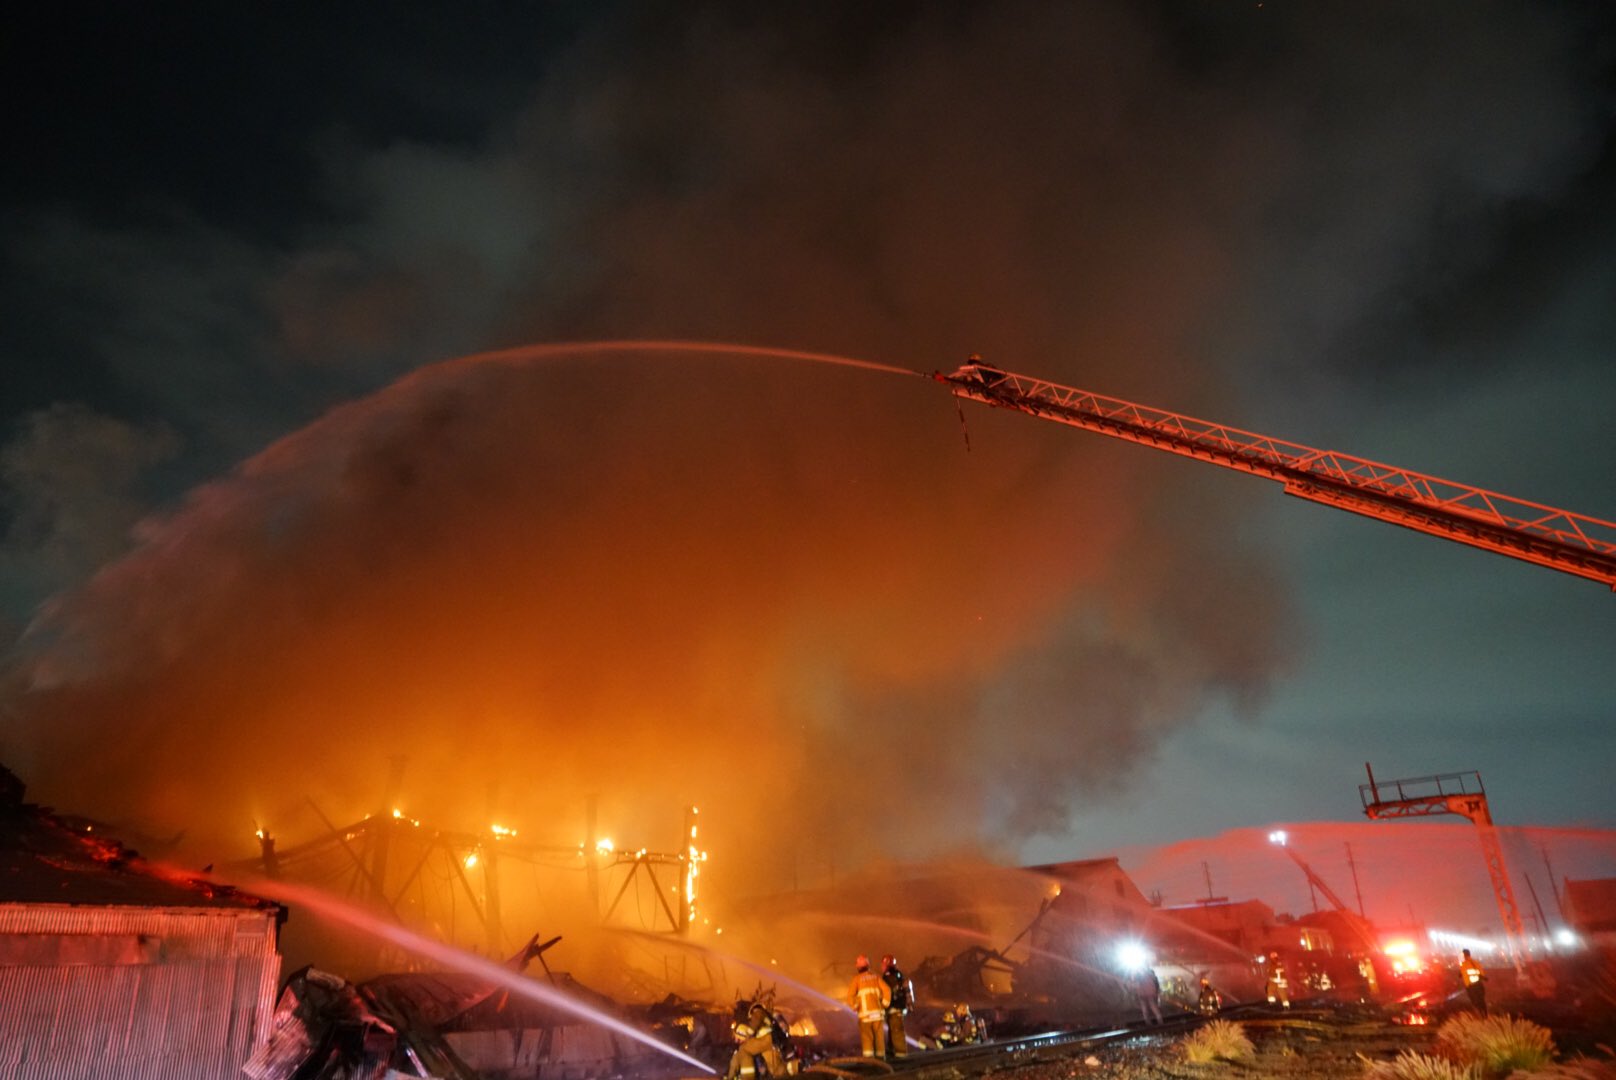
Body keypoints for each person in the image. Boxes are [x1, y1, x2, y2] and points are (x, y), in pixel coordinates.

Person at [726, 1002, 787, 1079]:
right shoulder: (767, 1016)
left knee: (744, 1049)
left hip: (765, 1039)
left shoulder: (758, 1011)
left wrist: (748, 1035)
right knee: (775, 1068)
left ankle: (748, 1077)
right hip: (770, 1042)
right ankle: (786, 1076)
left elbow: (754, 1023)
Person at [848, 954, 891, 1059]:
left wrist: (855, 1006)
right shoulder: (876, 977)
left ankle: (869, 1061)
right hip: (878, 1014)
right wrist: (884, 1004)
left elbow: (850, 996)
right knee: (879, 1038)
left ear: (858, 967)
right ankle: (881, 1059)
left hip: (865, 1016)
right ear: (868, 965)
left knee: (867, 1038)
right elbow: (887, 990)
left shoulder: (856, 979)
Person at [880, 954, 915, 1058]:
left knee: (896, 1032)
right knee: (893, 1031)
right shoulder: (899, 975)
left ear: (886, 964)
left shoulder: (888, 977)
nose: (881, 966)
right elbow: (907, 991)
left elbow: (885, 993)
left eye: (883, 964)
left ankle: (901, 1056)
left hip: (894, 1009)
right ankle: (894, 1052)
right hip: (898, 1009)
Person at [1459, 949, 1487, 1013]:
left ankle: (1480, 1016)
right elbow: (1481, 973)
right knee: (1481, 1000)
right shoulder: (1475, 962)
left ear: (1464, 955)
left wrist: (1461, 974)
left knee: (1475, 1001)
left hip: (1470, 986)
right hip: (1478, 984)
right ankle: (1485, 1015)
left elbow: (1463, 973)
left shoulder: (1464, 964)